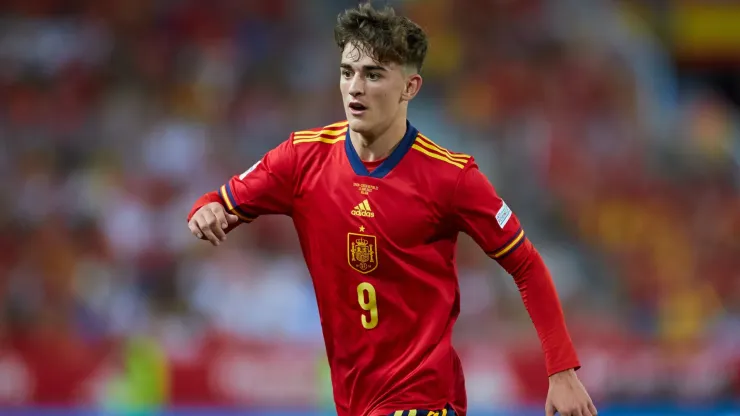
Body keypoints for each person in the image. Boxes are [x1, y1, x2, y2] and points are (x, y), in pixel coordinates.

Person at [187, 3, 597, 416]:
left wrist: (561, 370)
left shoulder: (451, 178)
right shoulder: (301, 157)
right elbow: (218, 202)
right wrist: (208, 210)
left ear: (410, 87)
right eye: (347, 72)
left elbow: (525, 264)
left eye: (373, 74)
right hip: (355, 403)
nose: (355, 88)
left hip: (424, 402)